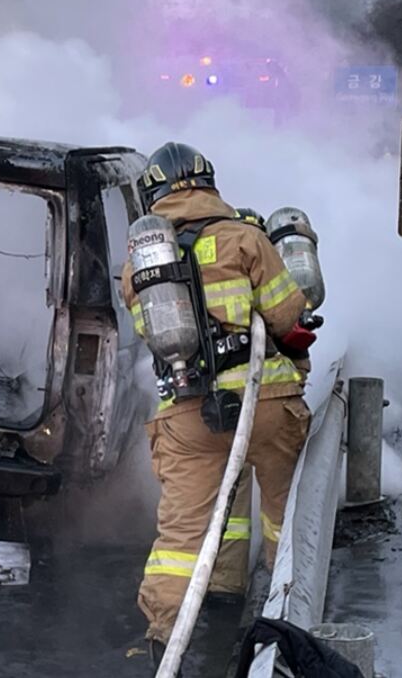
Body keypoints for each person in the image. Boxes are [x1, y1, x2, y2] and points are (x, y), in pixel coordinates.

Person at [122, 143, 314, 667]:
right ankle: (286, 626)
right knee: (284, 514)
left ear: (154, 193)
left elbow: (148, 330)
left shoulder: (142, 260)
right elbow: (289, 316)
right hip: (268, 402)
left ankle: (166, 639)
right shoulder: (247, 238)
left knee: (181, 535)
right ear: (209, 183)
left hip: (187, 411)